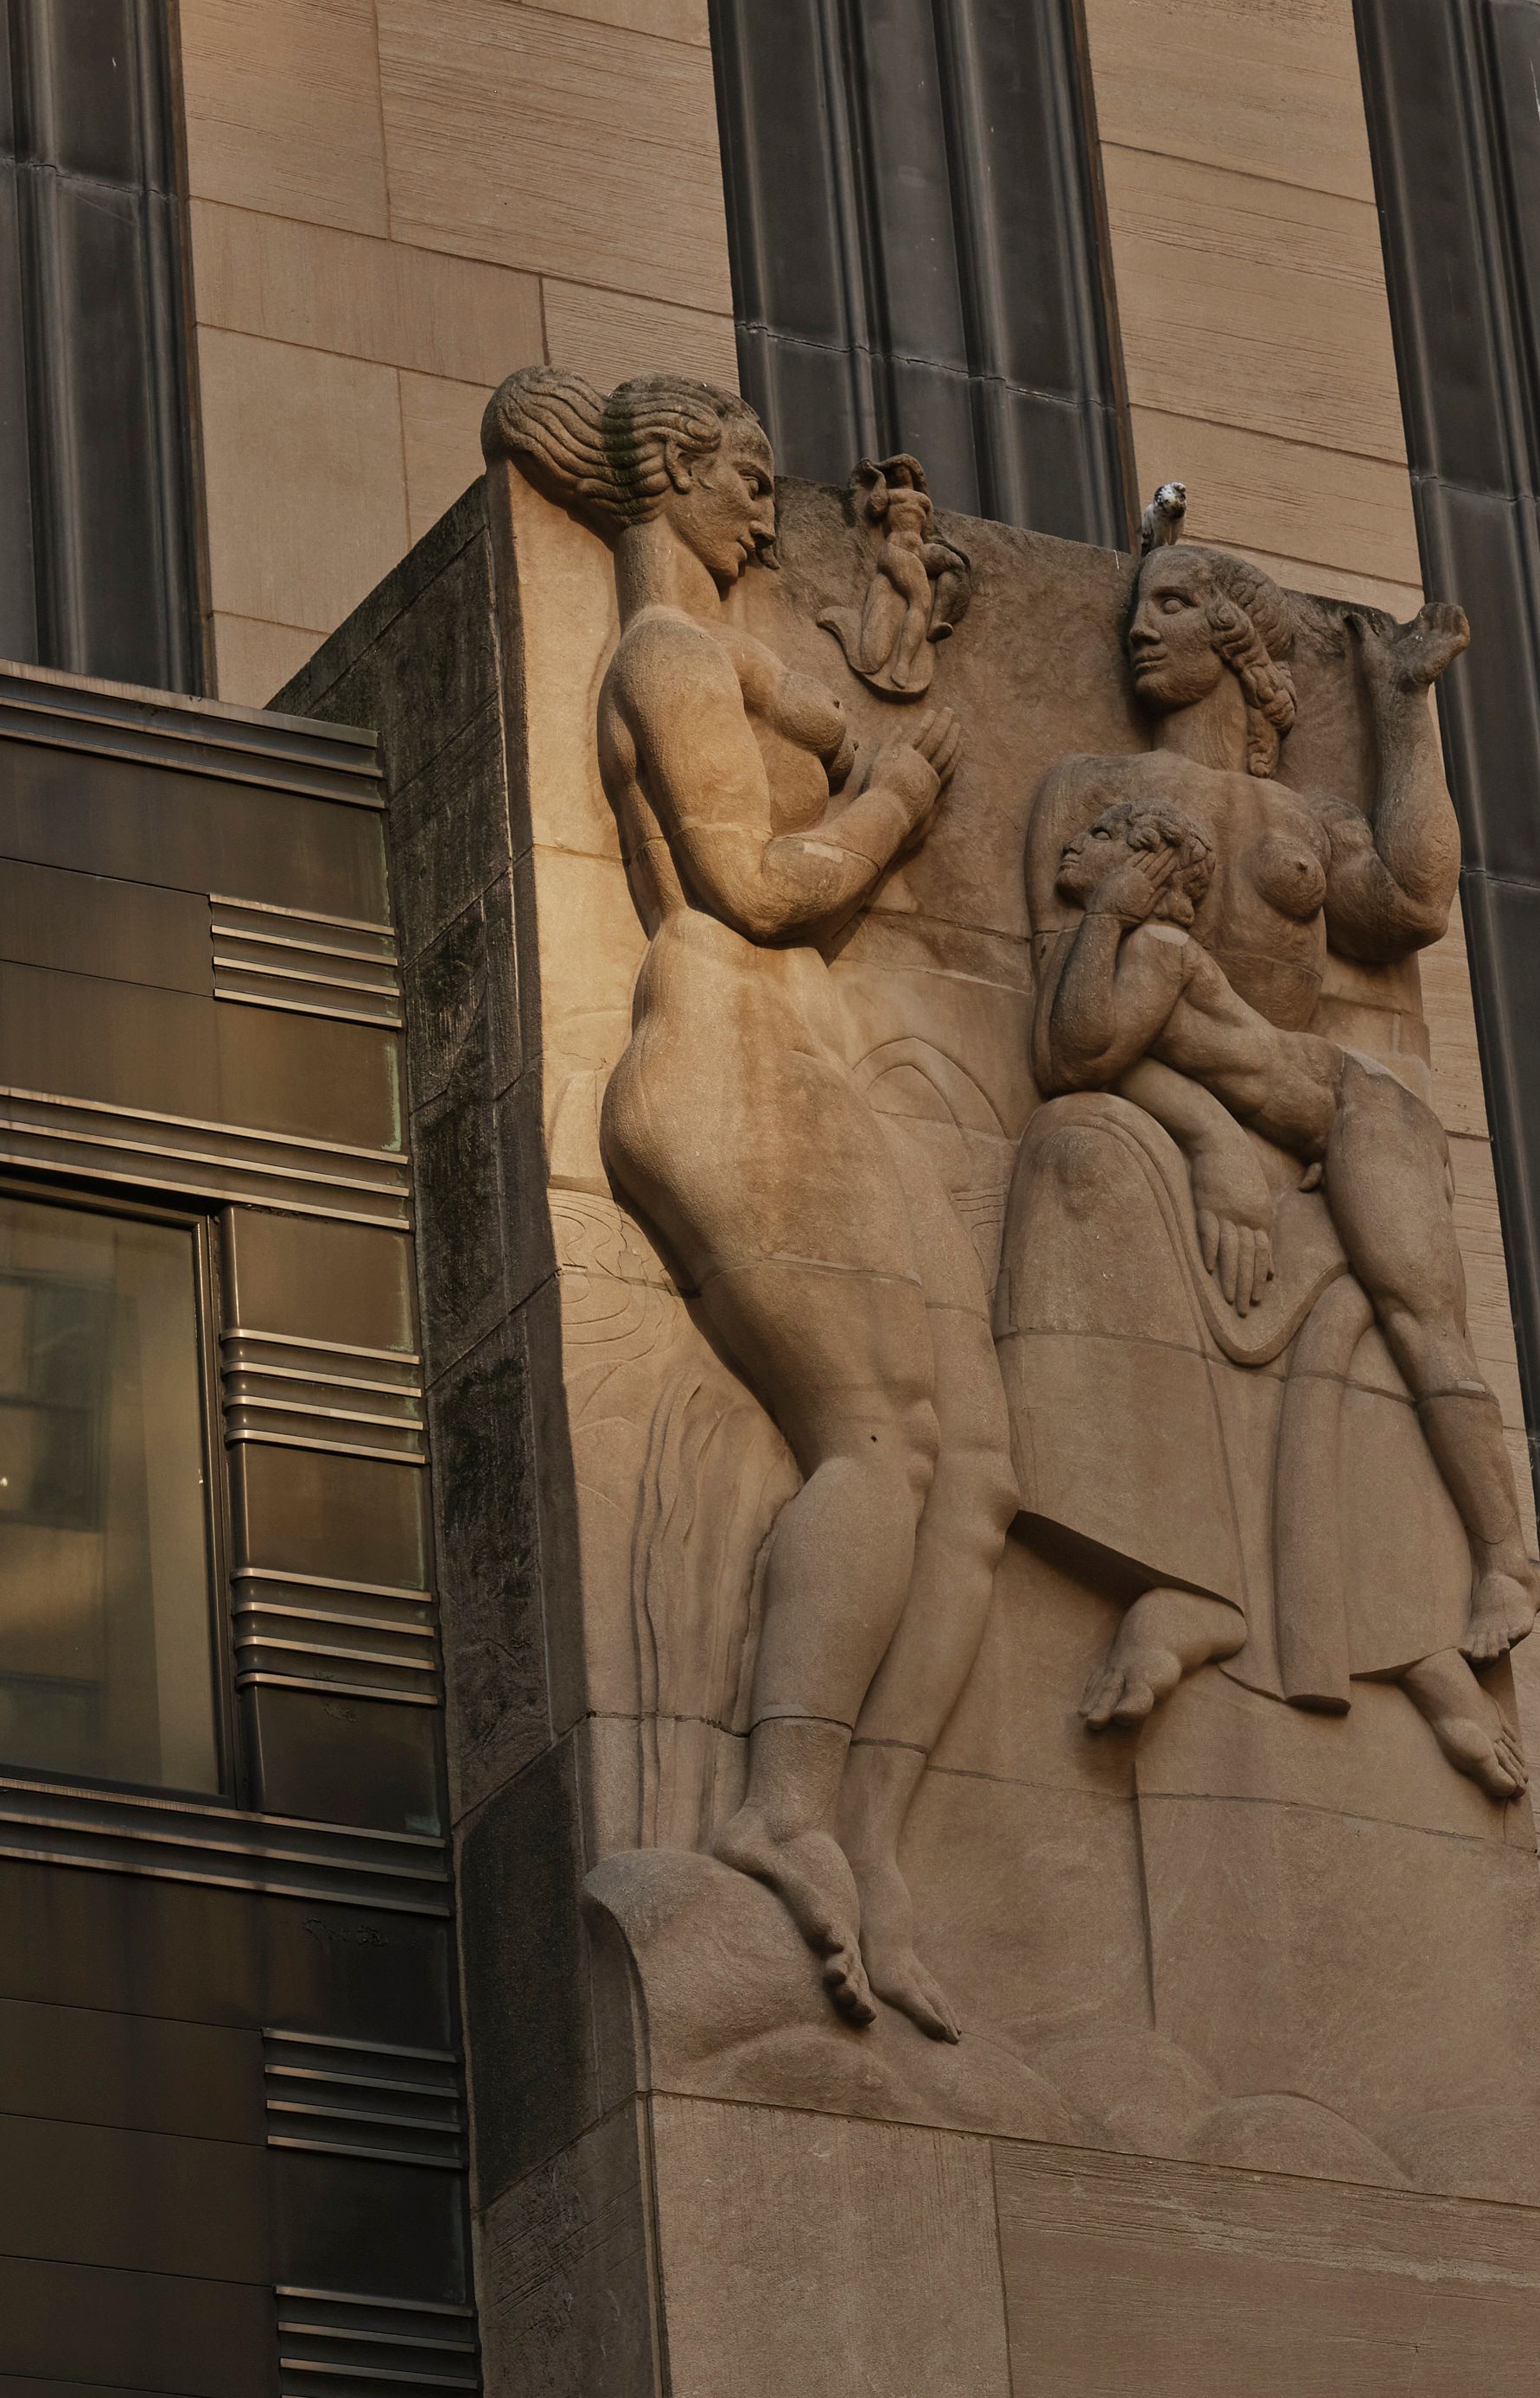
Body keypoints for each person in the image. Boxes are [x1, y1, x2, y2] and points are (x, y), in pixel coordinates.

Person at [486, 367, 1015, 2039]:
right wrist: (901, 802)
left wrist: (890, 638)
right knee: (879, 1436)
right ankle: (777, 1805)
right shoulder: (662, 653)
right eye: (746, 480)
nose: (765, 514)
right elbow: (755, 881)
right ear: (676, 486)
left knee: (978, 1467)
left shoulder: (729, 650)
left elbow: (826, 695)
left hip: (805, 1067)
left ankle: (876, 1845)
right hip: (726, 1046)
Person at [1026, 525, 1540, 1754]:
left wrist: (1405, 710)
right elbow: (1068, 1042)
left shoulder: (1302, 815)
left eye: (1177, 602)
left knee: (1419, 1321)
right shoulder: (1090, 795)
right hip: (1214, 1127)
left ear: (1240, 643)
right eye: (1138, 606)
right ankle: (1188, 1576)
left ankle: (1504, 1560)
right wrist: (1211, 1144)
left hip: (1350, 1114)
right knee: (1073, 1154)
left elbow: (1414, 903)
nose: (1141, 626)